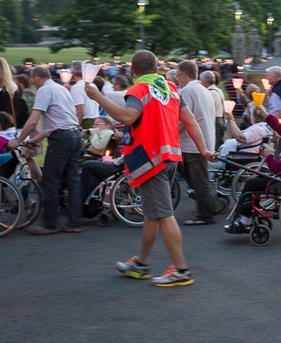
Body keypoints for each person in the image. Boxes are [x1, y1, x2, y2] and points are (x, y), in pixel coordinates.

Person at [85, 50, 216, 287]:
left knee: (163, 214)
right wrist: (204, 149)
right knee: (152, 215)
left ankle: (181, 269)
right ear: (156, 69)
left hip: (151, 160)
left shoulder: (138, 90)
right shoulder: (172, 89)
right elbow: (190, 121)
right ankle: (142, 263)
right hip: (171, 157)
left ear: (133, 71)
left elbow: (127, 117)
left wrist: (97, 97)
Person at [9, 66, 83, 234]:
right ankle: (74, 223)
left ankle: (49, 224)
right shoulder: (61, 89)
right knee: (73, 181)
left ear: (36, 78)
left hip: (61, 139)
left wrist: (18, 140)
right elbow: (60, 121)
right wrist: (35, 140)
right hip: (74, 135)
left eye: (33, 80)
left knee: (50, 181)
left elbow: (33, 120)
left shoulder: (44, 90)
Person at [224, 110, 281, 233]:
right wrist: (266, 115)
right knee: (257, 181)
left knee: (252, 183)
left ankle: (245, 220)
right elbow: (280, 129)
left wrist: (269, 156)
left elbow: (277, 168)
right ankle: (247, 217)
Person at [175, 60, 217, 225]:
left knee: (199, 179)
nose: (178, 79)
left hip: (192, 143)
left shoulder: (187, 91)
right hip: (204, 138)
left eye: (178, 76)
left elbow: (184, 119)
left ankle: (206, 213)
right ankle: (209, 204)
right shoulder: (203, 89)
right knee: (198, 178)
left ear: (184, 75)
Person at [69, 61, 100, 129]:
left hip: (85, 122)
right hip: (96, 118)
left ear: (73, 73)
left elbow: (80, 112)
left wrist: (74, 127)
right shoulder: (93, 85)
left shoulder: (76, 88)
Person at [200, 70, 226, 150]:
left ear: (205, 81)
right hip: (220, 119)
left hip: (215, 120)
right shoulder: (219, 90)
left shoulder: (210, 93)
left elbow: (208, 109)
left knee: (214, 144)